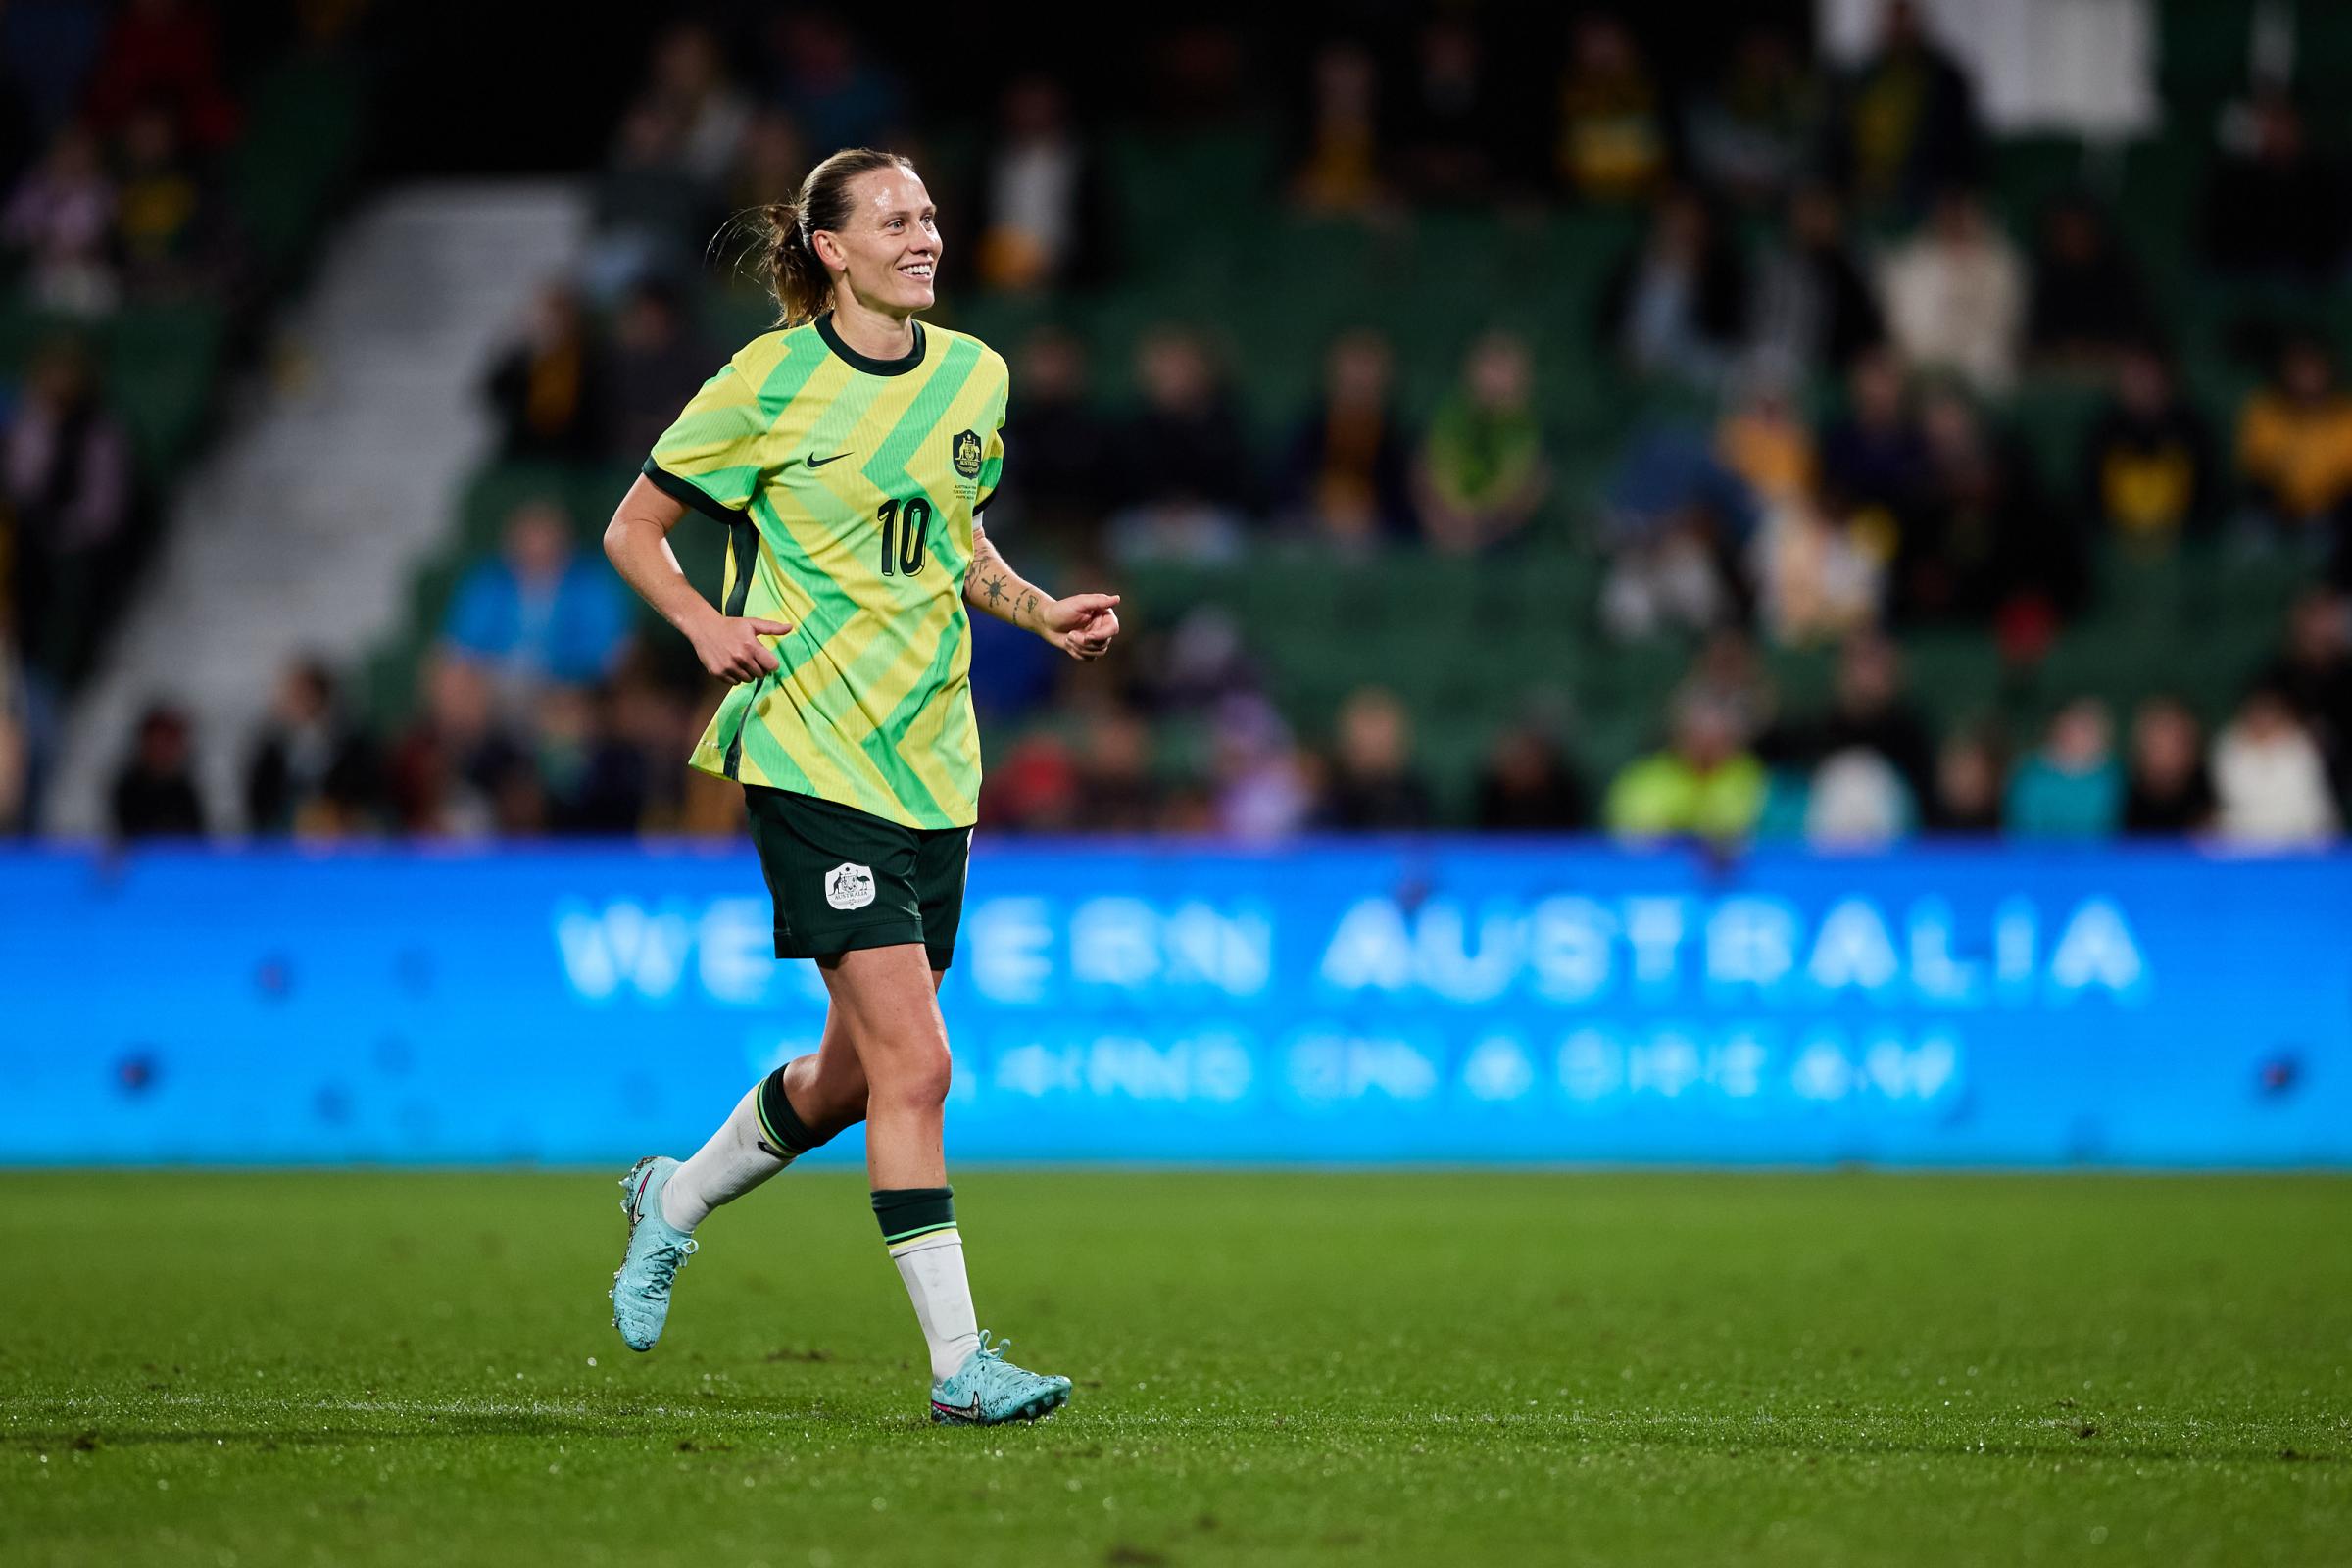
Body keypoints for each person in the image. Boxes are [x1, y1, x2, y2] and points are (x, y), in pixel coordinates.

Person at [599, 147, 1118, 1424]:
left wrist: (1040, 611)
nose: (926, 234)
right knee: (922, 1067)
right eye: (895, 218)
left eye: (934, 213)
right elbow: (633, 529)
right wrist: (697, 626)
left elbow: (953, 542)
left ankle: (672, 1199)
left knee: (851, 1077)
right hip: (807, 753)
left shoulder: (974, 376)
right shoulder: (764, 386)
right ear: (832, 248)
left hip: (934, 765)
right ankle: (959, 1368)